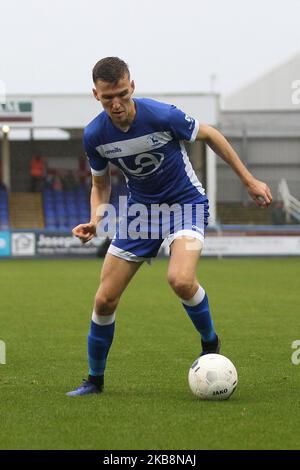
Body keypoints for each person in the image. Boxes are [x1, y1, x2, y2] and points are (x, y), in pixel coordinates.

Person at [67, 57, 272, 396]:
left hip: (185, 205)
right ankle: (94, 380)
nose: (116, 104)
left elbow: (210, 134)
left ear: (132, 86)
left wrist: (248, 180)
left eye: (121, 94)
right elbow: (100, 185)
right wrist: (95, 219)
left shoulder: (162, 116)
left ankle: (210, 343)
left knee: (180, 279)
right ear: (95, 95)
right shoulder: (94, 136)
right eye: (107, 98)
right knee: (104, 299)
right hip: (140, 214)